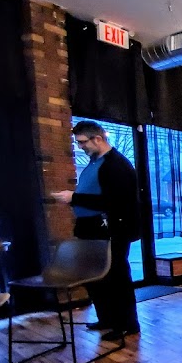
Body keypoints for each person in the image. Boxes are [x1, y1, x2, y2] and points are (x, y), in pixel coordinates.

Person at [51, 120, 141, 341]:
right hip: (90, 227)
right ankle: (107, 318)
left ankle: (126, 324)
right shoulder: (95, 162)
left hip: (110, 228)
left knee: (115, 277)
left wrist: (74, 197)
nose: (80, 146)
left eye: (83, 142)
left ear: (98, 139)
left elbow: (115, 202)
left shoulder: (116, 165)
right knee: (95, 277)